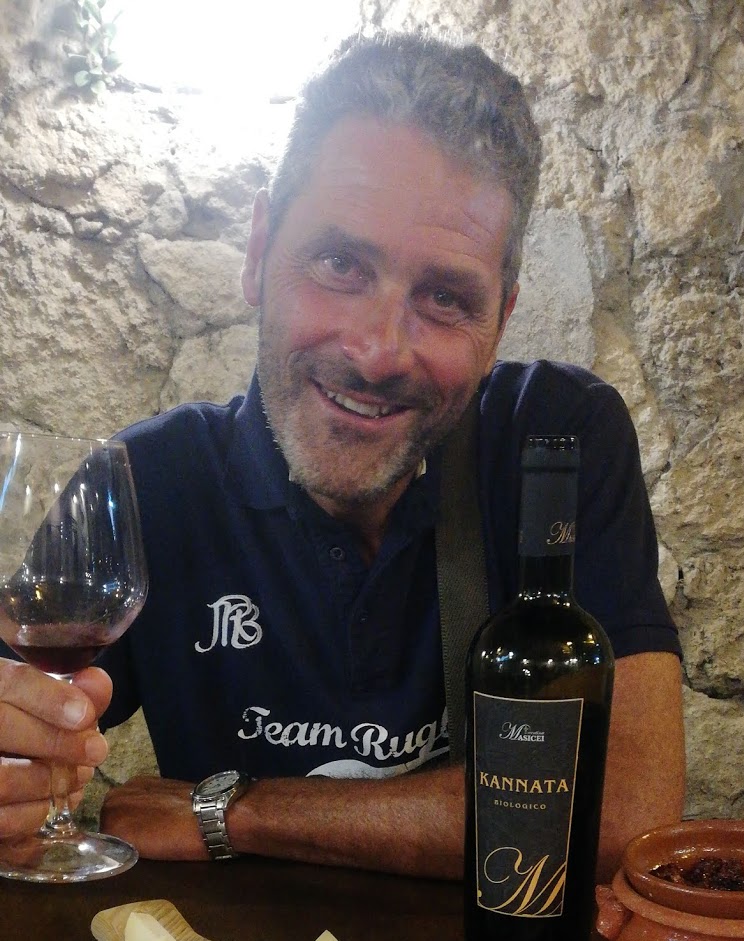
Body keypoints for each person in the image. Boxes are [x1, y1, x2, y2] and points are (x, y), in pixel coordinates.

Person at [0, 31, 684, 880]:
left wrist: (235, 811)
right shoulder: (148, 481)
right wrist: (17, 781)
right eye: (339, 263)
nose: (377, 351)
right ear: (258, 252)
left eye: (445, 297)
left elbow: (627, 811)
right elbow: (19, 732)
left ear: (500, 320)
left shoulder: (556, 441)